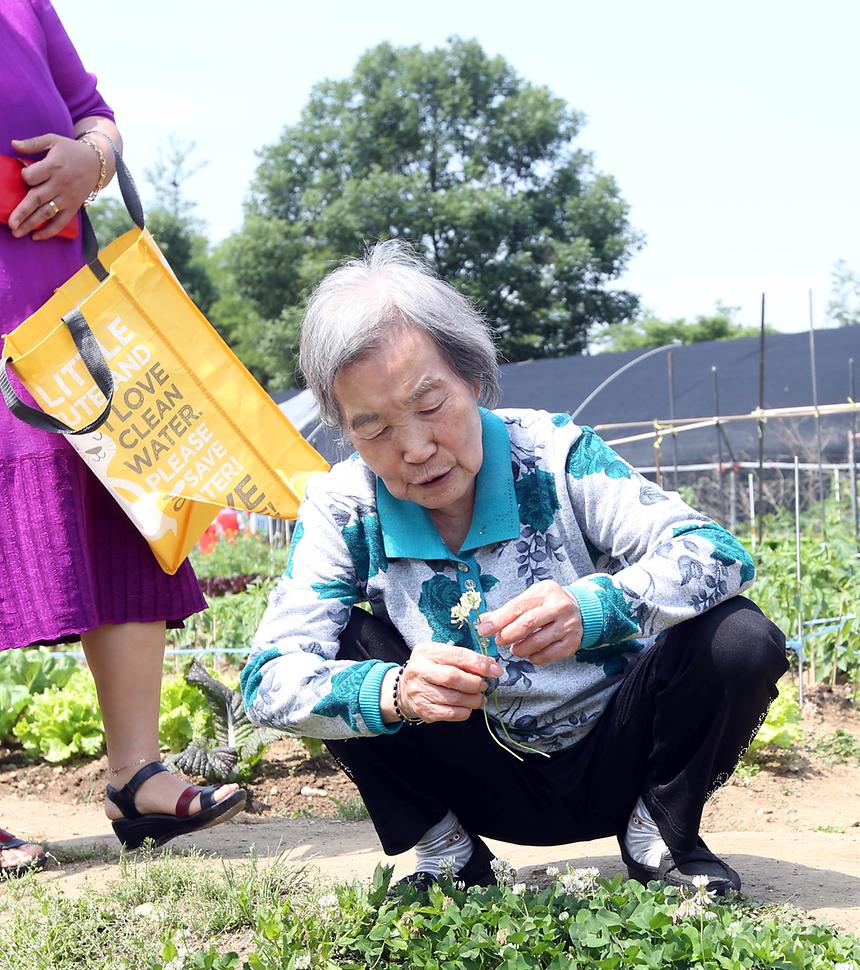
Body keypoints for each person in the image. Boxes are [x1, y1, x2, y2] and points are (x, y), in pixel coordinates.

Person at [242, 241, 788, 895]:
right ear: (345, 431)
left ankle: (659, 833)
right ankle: (446, 852)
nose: (415, 448)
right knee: (353, 650)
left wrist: (597, 608)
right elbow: (265, 681)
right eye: (374, 428)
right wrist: (395, 691)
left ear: (471, 376)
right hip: (473, 772)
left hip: (618, 749)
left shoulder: (555, 454)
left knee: (739, 636)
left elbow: (720, 553)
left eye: (430, 403)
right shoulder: (345, 507)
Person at [0, 0, 245, 874]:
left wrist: (89, 157)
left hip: (71, 313)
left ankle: (135, 775)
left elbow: (92, 108)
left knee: (127, 516)